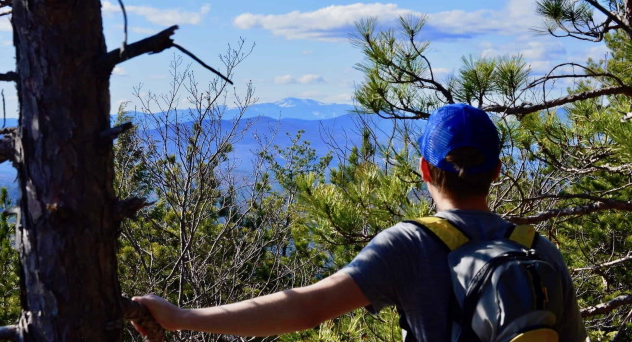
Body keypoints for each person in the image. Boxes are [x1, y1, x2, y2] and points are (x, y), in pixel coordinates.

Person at [133, 103, 587, 341]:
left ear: (425, 171)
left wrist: (181, 317)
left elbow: (303, 309)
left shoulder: (410, 245)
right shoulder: (538, 251)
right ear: (498, 171)